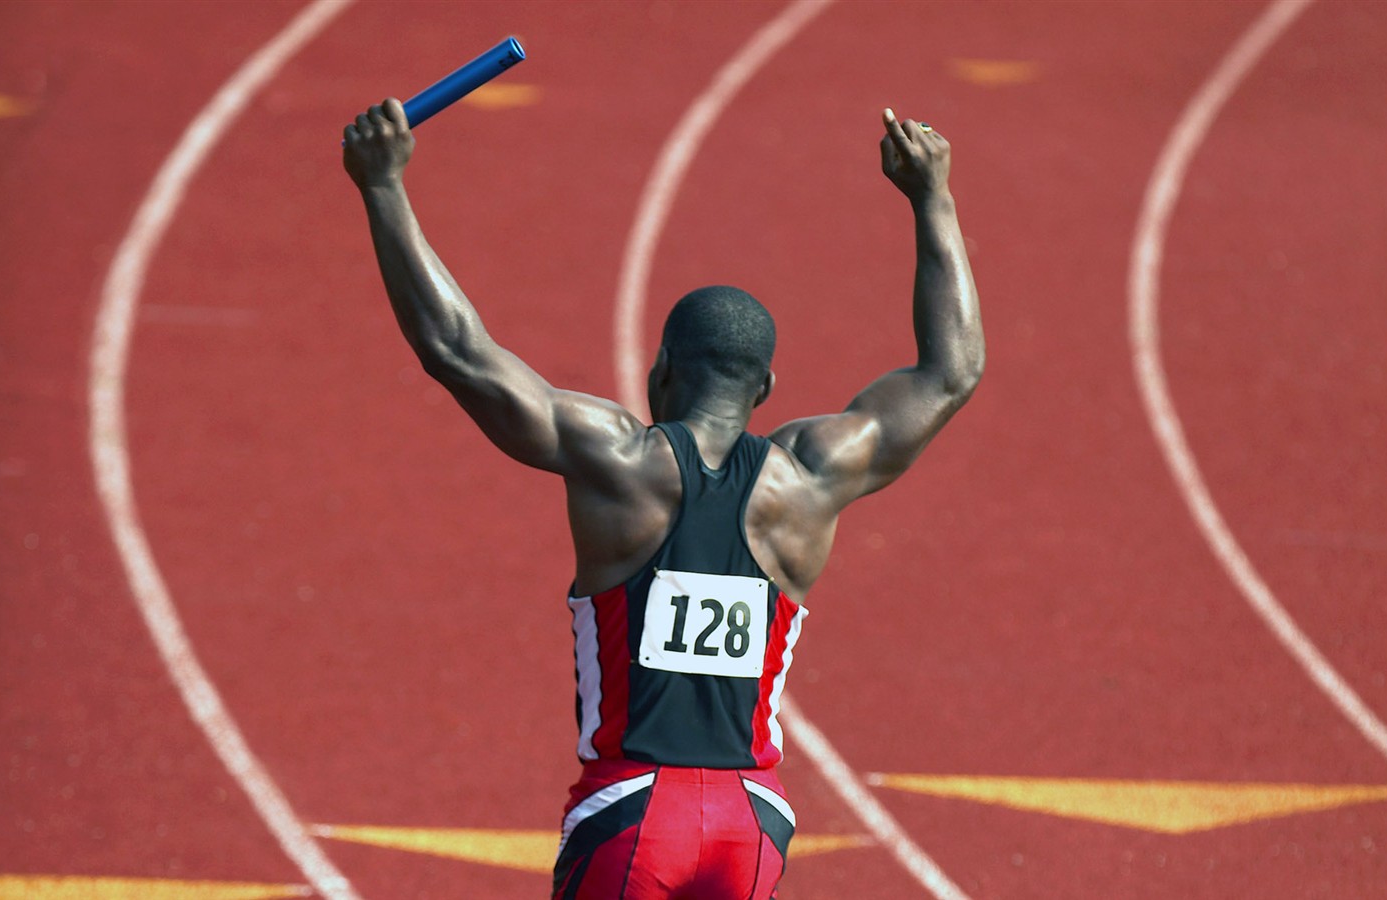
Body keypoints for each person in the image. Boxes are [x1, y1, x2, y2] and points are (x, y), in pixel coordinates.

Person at [343, 98, 983, 899]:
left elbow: (457, 351)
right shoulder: (814, 476)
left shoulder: (621, 459)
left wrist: (383, 187)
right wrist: (934, 197)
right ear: (768, 388)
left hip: (631, 810)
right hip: (754, 818)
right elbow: (949, 373)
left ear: (661, 374)